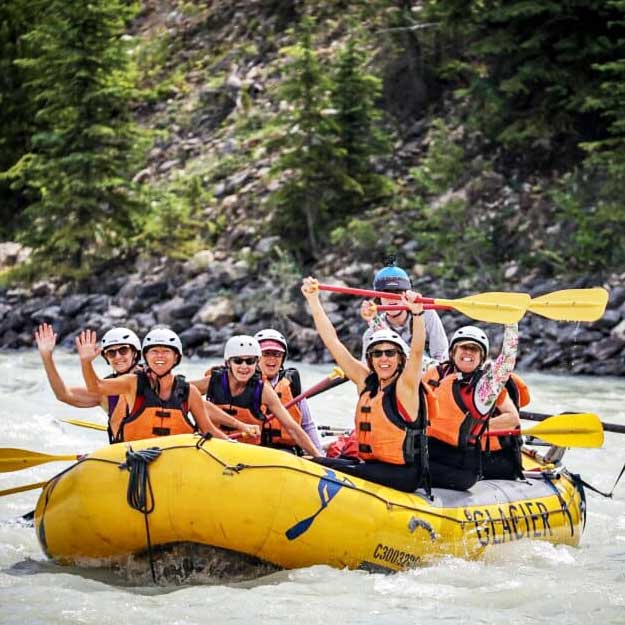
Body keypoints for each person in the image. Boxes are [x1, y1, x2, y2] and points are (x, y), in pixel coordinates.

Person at [301, 276, 436, 493]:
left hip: (404, 474)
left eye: (390, 353)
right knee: (311, 460)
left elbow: (418, 352)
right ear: (370, 358)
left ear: (400, 358)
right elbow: (333, 342)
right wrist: (314, 300)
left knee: (317, 464)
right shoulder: (366, 382)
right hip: (373, 466)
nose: (383, 358)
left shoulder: (406, 386)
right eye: (377, 354)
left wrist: (418, 314)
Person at [76, 327, 229, 442]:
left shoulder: (190, 392)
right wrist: (86, 362)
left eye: (166, 351)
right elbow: (95, 387)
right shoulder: (132, 383)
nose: (160, 356)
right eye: (154, 351)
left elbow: (209, 430)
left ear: (176, 358)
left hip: (177, 465)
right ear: (145, 357)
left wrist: (233, 445)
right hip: (137, 463)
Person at [422, 324, 521, 489]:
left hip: (460, 463)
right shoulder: (435, 372)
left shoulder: (486, 386)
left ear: (482, 357)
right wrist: (374, 320)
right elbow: (406, 355)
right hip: (431, 450)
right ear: (453, 352)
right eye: (464, 347)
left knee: (410, 472)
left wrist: (512, 325)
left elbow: (507, 362)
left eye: (474, 349)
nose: (468, 352)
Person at [193, 335, 322, 457]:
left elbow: (292, 428)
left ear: (256, 363)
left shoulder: (264, 391)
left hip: (248, 453)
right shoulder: (212, 382)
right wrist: (241, 426)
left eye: (250, 361)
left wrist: (319, 458)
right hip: (213, 448)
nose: (244, 367)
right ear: (228, 363)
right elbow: (181, 392)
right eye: (238, 361)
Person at [35, 323, 142, 443]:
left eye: (123, 350)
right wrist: (46, 356)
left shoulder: (154, 378)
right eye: (111, 353)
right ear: (106, 358)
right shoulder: (104, 392)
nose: (117, 357)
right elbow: (64, 394)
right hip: (127, 452)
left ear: (135, 353)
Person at [361, 257, 449, 365]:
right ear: (379, 298)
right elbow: (367, 370)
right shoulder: (371, 333)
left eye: (397, 292)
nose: (392, 298)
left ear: (407, 295)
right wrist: (374, 322)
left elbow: (442, 356)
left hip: (429, 374)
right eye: (386, 293)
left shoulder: (427, 314)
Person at [254, 328, 323, 454]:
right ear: (255, 357)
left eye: (277, 354)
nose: (272, 359)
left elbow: (307, 425)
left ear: (283, 358)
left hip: (285, 452)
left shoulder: (292, 384)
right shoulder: (244, 381)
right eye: (266, 353)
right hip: (251, 448)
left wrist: (321, 456)